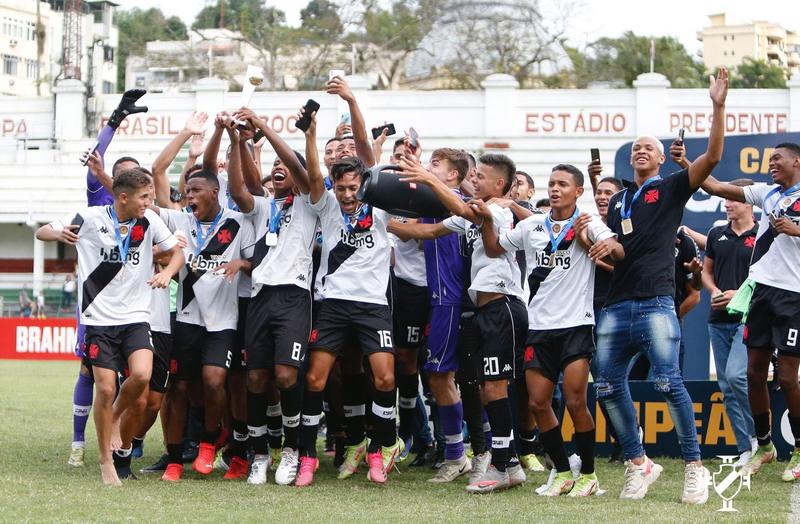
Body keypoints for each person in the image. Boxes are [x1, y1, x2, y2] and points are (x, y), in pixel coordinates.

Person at [593, 67, 728, 504]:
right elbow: (624, 250)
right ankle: (638, 463)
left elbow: (711, 159)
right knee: (608, 386)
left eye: (647, 147)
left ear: (661, 157)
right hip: (616, 304)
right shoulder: (617, 200)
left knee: (669, 384)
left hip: (655, 302)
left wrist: (717, 105)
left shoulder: (671, 187)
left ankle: (694, 466)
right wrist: (607, 246)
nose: (639, 151)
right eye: (635, 148)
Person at [478, 164, 623, 496]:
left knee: (575, 400)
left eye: (563, 184)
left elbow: (618, 252)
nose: (555, 189)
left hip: (576, 324)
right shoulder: (532, 225)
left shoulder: (589, 223)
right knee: (539, 403)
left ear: (578, 191)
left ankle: (587, 474)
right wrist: (486, 220)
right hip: (539, 326)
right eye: (552, 184)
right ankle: (560, 471)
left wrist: (604, 247)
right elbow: (494, 248)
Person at [35, 168, 183, 486]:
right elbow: (41, 232)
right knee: (104, 387)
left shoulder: (149, 221)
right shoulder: (89, 218)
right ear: (124, 197)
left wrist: (167, 273)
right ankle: (106, 461)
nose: (150, 202)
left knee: (141, 376)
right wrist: (58, 234)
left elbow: (177, 254)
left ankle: (115, 415)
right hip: (99, 320)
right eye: (144, 197)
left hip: (135, 316)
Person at [390, 152, 528, 494]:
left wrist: (425, 176)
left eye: (480, 175)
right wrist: (377, 217)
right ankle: (491, 458)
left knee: (466, 382)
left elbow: (466, 210)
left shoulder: (492, 208)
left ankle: (480, 457)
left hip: (485, 305)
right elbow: (430, 230)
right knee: (477, 384)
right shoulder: (462, 210)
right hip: (472, 305)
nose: (475, 180)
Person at [296, 111, 401, 487]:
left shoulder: (381, 207)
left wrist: (352, 101)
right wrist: (310, 136)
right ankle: (306, 457)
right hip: (333, 304)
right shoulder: (325, 206)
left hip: (373, 305)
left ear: (363, 185)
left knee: (386, 378)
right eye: (340, 188)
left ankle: (381, 448)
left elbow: (371, 163)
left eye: (353, 188)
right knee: (315, 379)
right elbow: (310, 174)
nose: (347, 195)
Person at [701, 142, 800, 481]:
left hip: (794, 297)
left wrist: (797, 229)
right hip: (761, 293)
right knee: (753, 374)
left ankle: (799, 450)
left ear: (796, 162)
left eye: (778, 159)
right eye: (769, 158)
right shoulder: (765, 193)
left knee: (786, 377)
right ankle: (764, 445)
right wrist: (687, 162)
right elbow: (713, 186)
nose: (772, 163)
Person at [156, 144, 255, 481]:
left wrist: (242, 263)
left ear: (215, 192)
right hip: (185, 319)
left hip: (224, 321)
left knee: (216, 381)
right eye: (185, 192)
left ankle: (212, 443)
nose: (189, 197)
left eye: (195, 191)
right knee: (179, 388)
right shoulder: (181, 220)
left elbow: (262, 263)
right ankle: (172, 458)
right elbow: (149, 192)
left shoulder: (239, 222)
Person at [229, 107, 316, 486]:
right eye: (275, 164)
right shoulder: (265, 207)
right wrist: (236, 142)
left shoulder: (315, 203)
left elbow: (303, 173)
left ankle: (294, 450)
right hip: (262, 298)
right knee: (255, 380)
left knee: (285, 376)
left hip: (295, 298)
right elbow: (237, 191)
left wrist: (263, 126)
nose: (279, 168)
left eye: (287, 164)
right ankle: (260, 454)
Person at [67, 90, 147, 469]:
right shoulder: (98, 199)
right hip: (96, 303)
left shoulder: (144, 213)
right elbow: (94, 161)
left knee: (137, 374)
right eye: (119, 174)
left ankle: (126, 437)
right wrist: (115, 120)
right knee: (90, 371)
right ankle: (79, 441)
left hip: (132, 306)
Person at [388, 146, 475, 482]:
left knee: (443, 377)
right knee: (439, 376)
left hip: (451, 299)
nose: (427, 167)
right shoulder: (435, 199)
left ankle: (458, 455)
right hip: (437, 298)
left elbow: (460, 208)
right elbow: (413, 225)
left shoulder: (449, 196)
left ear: (453, 175)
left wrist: (392, 223)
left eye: (435, 164)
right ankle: (460, 453)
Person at [700, 178, 758, 467]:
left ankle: (762, 437)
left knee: (737, 377)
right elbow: (706, 272)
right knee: (726, 385)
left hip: (750, 317)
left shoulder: (763, 235)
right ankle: (745, 448)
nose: (726, 204)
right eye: (724, 199)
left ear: (748, 202)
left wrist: (739, 294)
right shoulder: (715, 233)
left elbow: (768, 276)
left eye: (731, 199)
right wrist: (713, 290)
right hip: (717, 318)